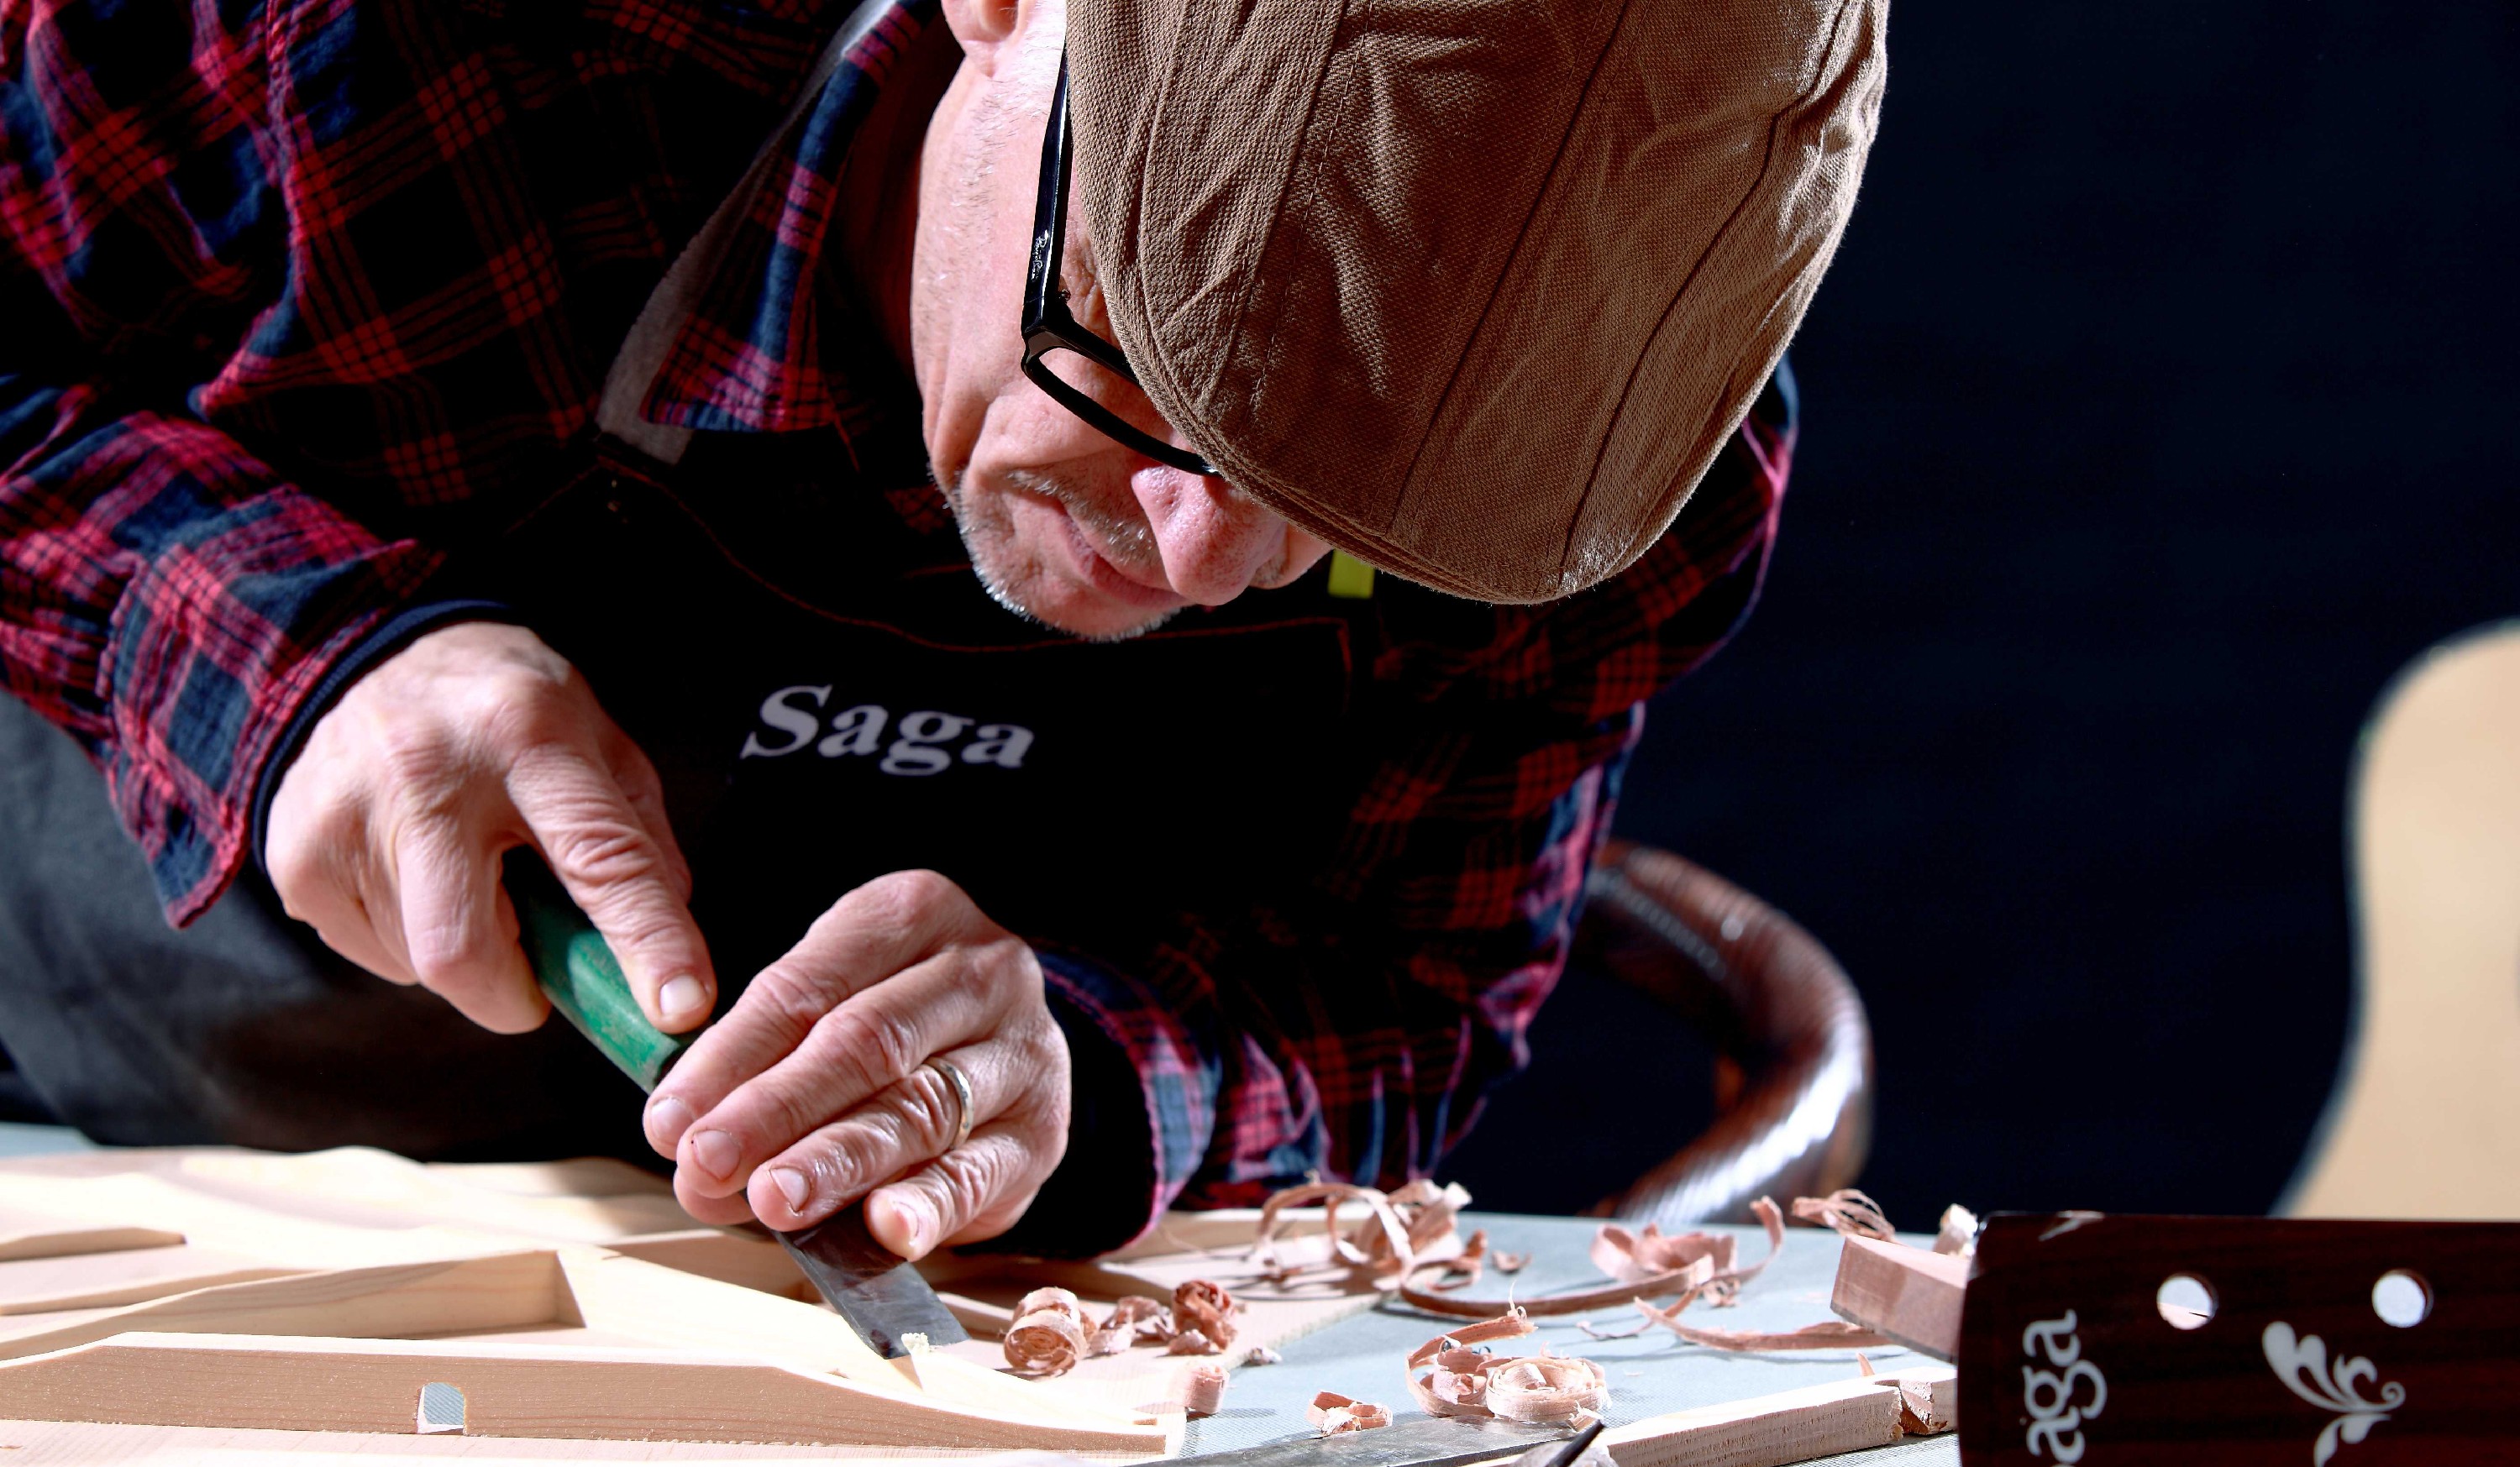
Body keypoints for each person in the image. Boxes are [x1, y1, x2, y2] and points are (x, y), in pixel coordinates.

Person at [0, 0, 1887, 1259]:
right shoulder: (424, 46)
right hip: (99, 1212)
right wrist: (279, 646)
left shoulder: (1598, 494)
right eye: (1139, 360)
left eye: (1352, 520)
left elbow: (1390, 1000)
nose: (1204, 558)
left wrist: (1086, 1080)